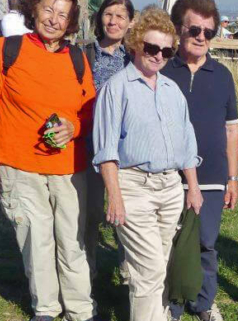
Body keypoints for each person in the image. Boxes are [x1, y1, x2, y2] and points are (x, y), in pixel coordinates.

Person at [0, 0, 97, 319]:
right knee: (36, 239)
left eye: (62, 14)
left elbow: (91, 111)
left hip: (70, 168)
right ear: (34, 11)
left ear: (71, 21)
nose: (53, 20)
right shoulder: (6, 50)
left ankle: (80, 310)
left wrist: (75, 127)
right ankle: (45, 308)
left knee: (72, 242)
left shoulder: (78, 58)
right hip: (18, 166)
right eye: (47, 10)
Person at [91, 6, 202, 321]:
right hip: (133, 186)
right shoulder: (117, 89)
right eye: (152, 48)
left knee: (157, 267)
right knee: (149, 270)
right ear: (136, 44)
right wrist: (115, 196)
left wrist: (192, 187)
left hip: (169, 188)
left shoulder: (172, 91)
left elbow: (186, 142)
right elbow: (106, 150)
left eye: (166, 51)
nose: (158, 56)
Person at [162, 0, 238, 319]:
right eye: (194, 29)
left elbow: (232, 129)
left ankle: (204, 302)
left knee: (206, 243)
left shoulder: (222, 75)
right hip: (166, 175)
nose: (201, 36)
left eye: (209, 31)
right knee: (169, 244)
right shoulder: (162, 69)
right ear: (179, 28)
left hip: (212, 176)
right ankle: (172, 302)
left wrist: (233, 178)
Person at [82, 0, 134, 281]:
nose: (113, 21)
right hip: (88, 148)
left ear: (130, 22)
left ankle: (130, 275)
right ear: (100, 18)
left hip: (125, 152)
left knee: (125, 217)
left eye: (120, 16)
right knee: (89, 217)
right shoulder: (85, 54)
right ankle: (86, 276)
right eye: (108, 15)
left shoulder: (136, 57)